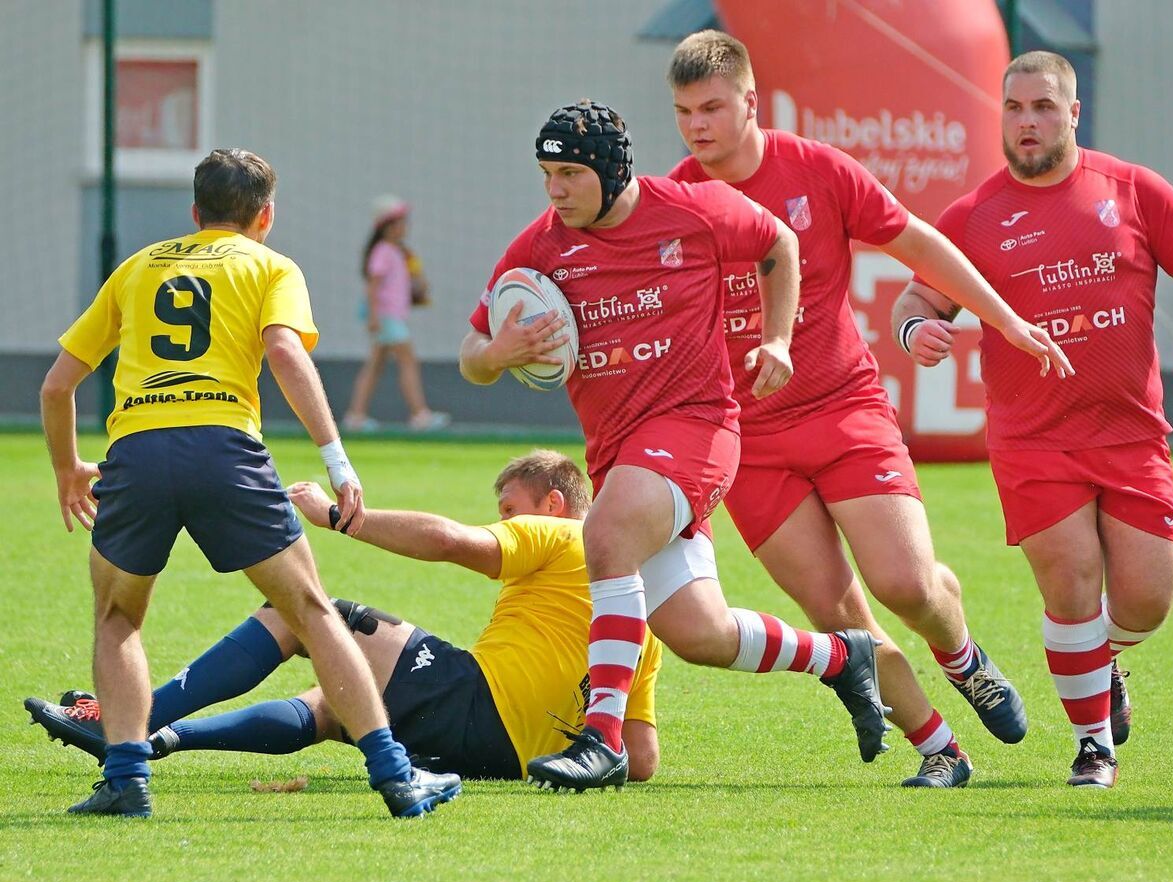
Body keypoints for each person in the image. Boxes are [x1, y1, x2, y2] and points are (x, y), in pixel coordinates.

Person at [666, 31, 1073, 787]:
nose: (698, 125)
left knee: (907, 584)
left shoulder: (816, 169)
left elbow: (922, 244)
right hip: (748, 440)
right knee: (838, 612)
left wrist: (1005, 319)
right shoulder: (677, 198)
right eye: (685, 110)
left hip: (842, 407)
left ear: (750, 102)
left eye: (713, 107)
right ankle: (941, 748)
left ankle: (964, 658)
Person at [460, 99, 889, 793]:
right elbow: (470, 354)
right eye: (546, 174)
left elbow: (779, 241)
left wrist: (776, 339)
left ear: (608, 169)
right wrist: (498, 350)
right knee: (700, 633)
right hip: (621, 452)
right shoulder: (541, 244)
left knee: (604, 530)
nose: (555, 190)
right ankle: (841, 655)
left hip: (699, 428)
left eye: (569, 173)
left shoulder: (694, 210)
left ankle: (601, 738)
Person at [37, 148, 455, 818]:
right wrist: (336, 458)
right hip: (225, 448)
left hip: (135, 451)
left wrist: (67, 467)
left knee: (118, 617)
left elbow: (58, 384)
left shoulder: (138, 266)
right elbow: (286, 350)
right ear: (265, 215)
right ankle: (397, 776)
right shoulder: (271, 265)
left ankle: (125, 781)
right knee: (313, 612)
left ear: (194, 212)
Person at [892, 52, 1173, 788]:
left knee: (1149, 597)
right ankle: (1092, 746)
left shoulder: (1135, 190)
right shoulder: (973, 215)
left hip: (1131, 431)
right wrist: (915, 332)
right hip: (1032, 437)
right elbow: (916, 301)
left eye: (1043, 107)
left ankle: (1096, 660)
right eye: (1014, 108)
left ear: (1073, 112)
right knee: (1071, 582)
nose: (1026, 122)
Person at [26, 451, 663, 783]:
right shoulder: (641, 620)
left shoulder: (569, 536)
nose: (504, 519)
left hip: (476, 703)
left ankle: (128, 724)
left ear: (553, 504)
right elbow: (642, 755)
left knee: (314, 616)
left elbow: (449, 541)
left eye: (511, 508)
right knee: (341, 703)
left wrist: (340, 516)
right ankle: (164, 739)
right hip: (502, 757)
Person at [343, 194, 450, 432]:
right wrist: (373, 316)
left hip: (390, 316)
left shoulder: (398, 252)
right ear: (388, 226)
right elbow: (373, 285)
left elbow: (405, 284)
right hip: (386, 316)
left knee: (375, 364)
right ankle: (420, 414)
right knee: (407, 360)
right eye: (400, 222)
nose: (405, 227)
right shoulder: (383, 250)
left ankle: (356, 415)